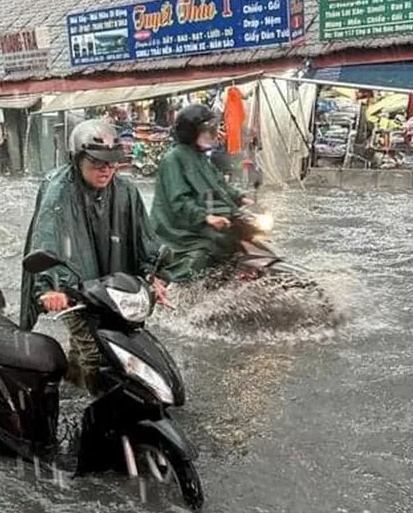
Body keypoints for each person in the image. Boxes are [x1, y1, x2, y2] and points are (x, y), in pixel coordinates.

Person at [19, 119, 168, 394]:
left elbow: (144, 238)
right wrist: (51, 288)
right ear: (77, 159)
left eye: (112, 163)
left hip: (111, 287)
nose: (106, 169)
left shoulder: (126, 191)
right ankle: (94, 409)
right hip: (73, 287)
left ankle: (71, 388)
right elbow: (46, 239)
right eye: (98, 162)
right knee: (95, 352)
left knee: (108, 343)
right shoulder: (59, 192)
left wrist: (154, 275)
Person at [150, 104, 254, 282]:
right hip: (177, 228)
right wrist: (206, 217)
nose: (213, 134)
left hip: (199, 220)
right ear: (192, 132)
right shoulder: (173, 159)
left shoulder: (202, 158)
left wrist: (241, 197)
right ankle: (173, 285)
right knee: (206, 250)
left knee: (235, 238)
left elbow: (220, 185)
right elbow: (179, 201)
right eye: (208, 130)